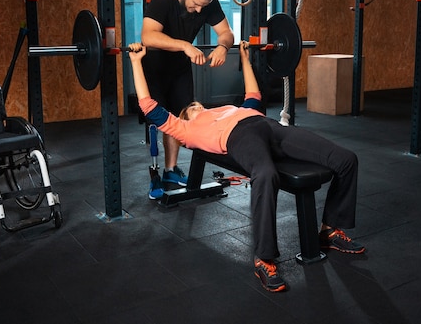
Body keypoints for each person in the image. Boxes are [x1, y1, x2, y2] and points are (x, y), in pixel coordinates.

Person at [128, 41, 365, 293]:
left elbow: (253, 96)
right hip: (239, 137)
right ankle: (264, 258)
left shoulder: (229, 108)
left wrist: (244, 58)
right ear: (185, 116)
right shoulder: (184, 129)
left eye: (198, 104)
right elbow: (148, 106)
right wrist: (135, 62)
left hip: (269, 126)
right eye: (192, 107)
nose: (197, 105)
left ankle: (329, 230)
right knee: (265, 174)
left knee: (346, 159)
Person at [141, 0, 235, 200]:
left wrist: (223, 47)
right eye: (195, 4)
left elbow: (226, 32)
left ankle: (171, 170)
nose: (200, 10)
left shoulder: (208, 4)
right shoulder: (163, 0)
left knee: (182, 117)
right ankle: (155, 172)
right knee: (159, 119)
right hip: (155, 66)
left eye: (204, 5)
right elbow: (148, 36)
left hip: (179, 68)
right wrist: (184, 45)